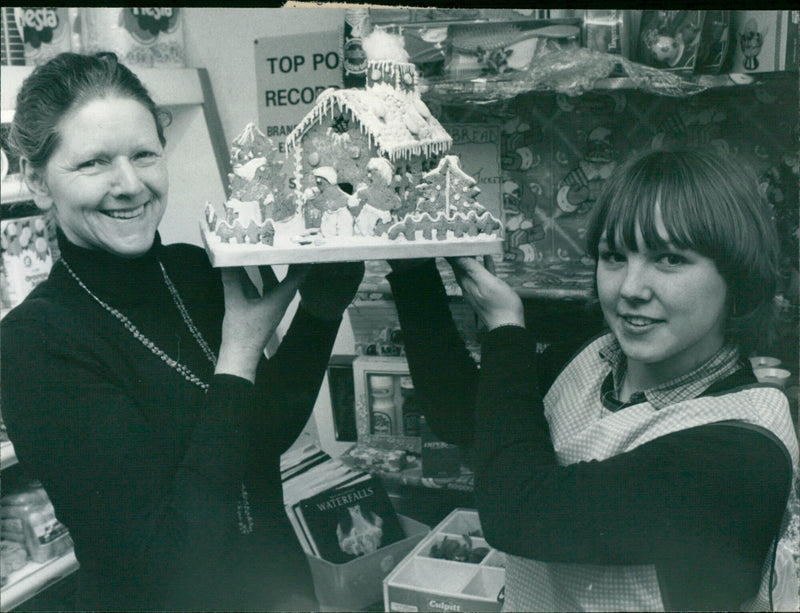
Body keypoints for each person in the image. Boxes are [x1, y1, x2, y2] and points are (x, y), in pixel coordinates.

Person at [1, 52, 364, 611]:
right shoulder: (35, 345)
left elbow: (260, 434)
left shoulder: (197, 272)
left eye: (144, 154)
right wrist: (238, 355)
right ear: (36, 179)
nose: (130, 185)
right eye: (93, 163)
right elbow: (166, 567)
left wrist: (320, 312)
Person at [387, 146, 799, 611]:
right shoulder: (598, 355)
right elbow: (462, 417)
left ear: (737, 274)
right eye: (614, 256)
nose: (630, 289)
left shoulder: (743, 451)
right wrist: (412, 268)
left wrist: (505, 330)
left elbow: (519, 512)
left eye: (670, 260)